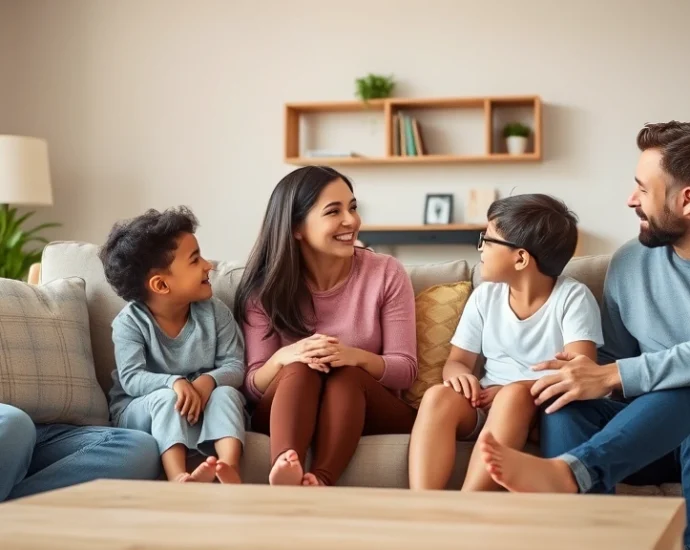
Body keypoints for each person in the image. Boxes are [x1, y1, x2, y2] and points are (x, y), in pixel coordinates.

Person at [477, 121, 690, 548]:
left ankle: (574, 471)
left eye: (643, 190)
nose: (631, 200)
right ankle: (585, 537)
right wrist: (575, 372)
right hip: (642, 438)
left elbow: (617, 373)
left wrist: (614, 375)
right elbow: (609, 360)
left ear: (686, 201)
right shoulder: (631, 262)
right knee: (564, 403)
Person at [234, 165, 418, 487]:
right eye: (334, 211)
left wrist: (354, 356)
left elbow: (405, 370)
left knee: (346, 375)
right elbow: (252, 386)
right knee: (302, 367)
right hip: (288, 402)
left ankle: (321, 479)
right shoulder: (263, 291)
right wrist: (285, 357)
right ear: (296, 228)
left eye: (353, 207)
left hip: (368, 407)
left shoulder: (386, 273)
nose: (351, 221)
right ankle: (285, 467)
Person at [408, 194, 603, 491]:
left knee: (513, 396)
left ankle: (470, 503)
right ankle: (422, 506)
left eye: (487, 240)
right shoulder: (485, 296)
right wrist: (459, 377)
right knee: (438, 395)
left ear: (521, 258)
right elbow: (457, 361)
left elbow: (578, 374)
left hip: (540, 409)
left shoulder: (572, 299)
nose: (481, 249)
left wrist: (513, 390)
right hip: (486, 402)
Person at [100, 207, 246, 483]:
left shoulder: (215, 312)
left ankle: (228, 468)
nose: (208, 265)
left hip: (202, 403)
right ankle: (178, 476)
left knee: (226, 393)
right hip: (143, 408)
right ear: (161, 285)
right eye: (195, 260)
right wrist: (173, 382)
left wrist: (208, 381)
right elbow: (131, 378)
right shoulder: (129, 323)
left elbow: (235, 365)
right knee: (168, 398)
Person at [0, 404, 160, 501]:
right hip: (8, 418)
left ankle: (14, 509)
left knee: (140, 447)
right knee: (16, 423)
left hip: (63, 430)